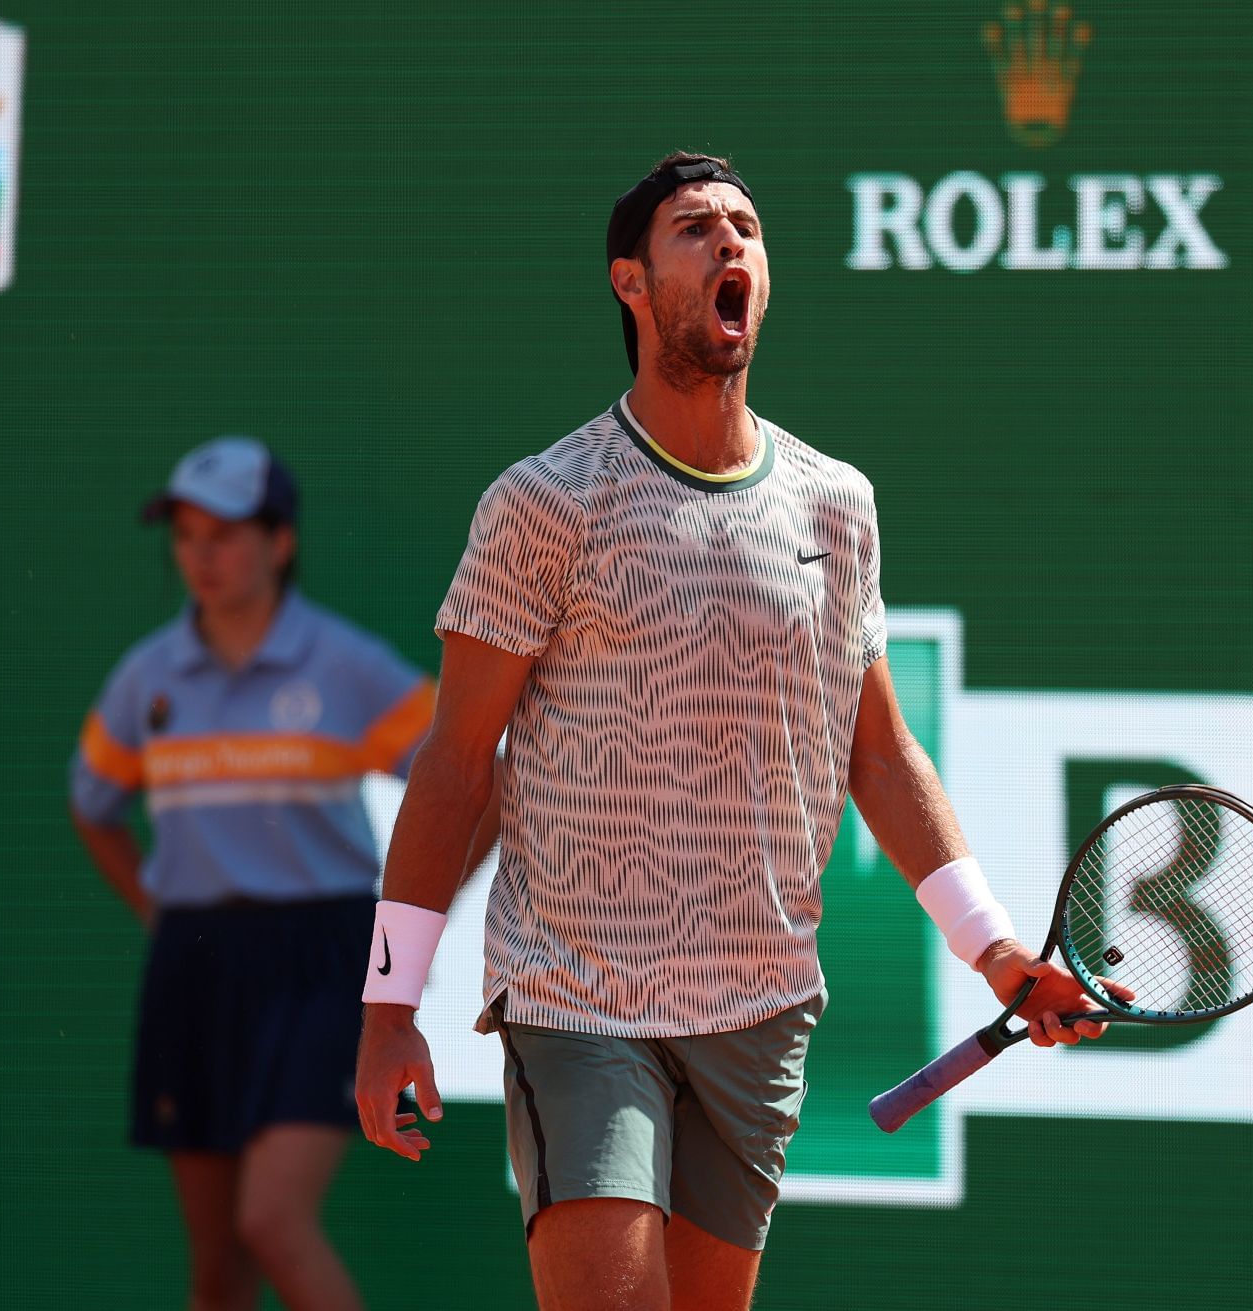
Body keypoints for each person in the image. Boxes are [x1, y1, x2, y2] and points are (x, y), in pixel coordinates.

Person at [353, 153, 1128, 1311]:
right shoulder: (546, 502)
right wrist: (387, 1011)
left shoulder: (836, 504)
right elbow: (458, 764)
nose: (729, 246)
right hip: (579, 999)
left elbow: (879, 755)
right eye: (693, 229)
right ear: (630, 281)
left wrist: (1001, 956)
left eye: (747, 230)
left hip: (758, 1012)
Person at [68, 438, 485, 1311]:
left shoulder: (346, 664)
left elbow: (476, 786)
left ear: (280, 541)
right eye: (186, 535)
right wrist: (156, 908)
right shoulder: (148, 677)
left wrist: (416, 919)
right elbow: (94, 804)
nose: (202, 555)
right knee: (217, 1261)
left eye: (225, 532)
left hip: (319, 960)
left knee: (272, 1222)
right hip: (192, 962)